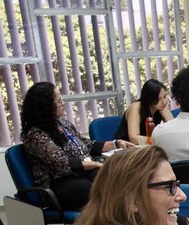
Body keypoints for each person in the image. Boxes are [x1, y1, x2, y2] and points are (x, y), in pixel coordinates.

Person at [21, 82, 132, 210]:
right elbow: (61, 163)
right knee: (97, 192)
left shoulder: (63, 124)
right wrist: (96, 164)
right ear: (45, 107)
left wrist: (116, 143)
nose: (62, 103)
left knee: (116, 180)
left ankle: (125, 222)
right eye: (58, 101)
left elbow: (85, 144)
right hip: (59, 183)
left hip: (80, 173)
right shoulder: (35, 135)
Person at [114, 78, 174, 145]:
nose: (164, 102)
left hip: (146, 147)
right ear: (150, 98)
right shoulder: (136, 107)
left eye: (165, 96)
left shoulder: (161, 108)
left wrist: (165, 113)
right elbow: (133, 138)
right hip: (126, 147)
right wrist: (158, 140)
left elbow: (174, 132)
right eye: (158, 99)